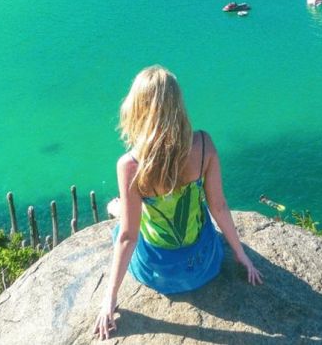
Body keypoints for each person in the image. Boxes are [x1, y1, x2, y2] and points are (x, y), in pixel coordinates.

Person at [93, 66, 261, 340]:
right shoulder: (204, 144)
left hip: (159, 272)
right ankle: (119, 208)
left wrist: (108, 300)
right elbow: (218, 206)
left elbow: (127, 237)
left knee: (124, 222)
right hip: (204, 263)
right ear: (178, 105)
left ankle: (118, 208)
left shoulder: (130, 166)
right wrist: (241, 255)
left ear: (137, 109)